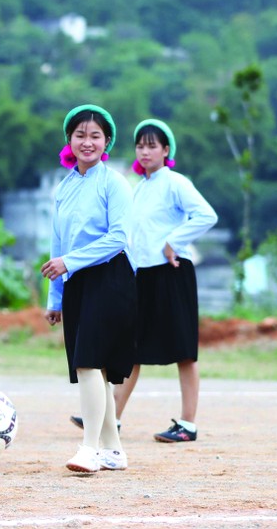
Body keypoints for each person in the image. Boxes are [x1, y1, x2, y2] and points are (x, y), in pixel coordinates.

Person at [42, 104, 136, 473]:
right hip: (77, 282)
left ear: (106, 141)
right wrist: (56, 297)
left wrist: (71, 262)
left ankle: (90, 448)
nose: (87, 142)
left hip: (111, 279)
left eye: (95, 135)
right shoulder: (64, 187)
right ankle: (113, 449)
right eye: (80, 135)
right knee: (92, 367)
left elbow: (119, 238)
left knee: (89, 362)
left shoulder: (114, 182)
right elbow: (58, 244)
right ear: (69, 139)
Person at [116, 119, 217, 442]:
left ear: (165, 150)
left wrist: (173, 240)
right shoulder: (139, 187)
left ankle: (188, 425)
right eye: (140, 145)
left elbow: (206, 215)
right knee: (130, 350)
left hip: (172, 272)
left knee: (184, 350)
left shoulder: (175, 182)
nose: (145, 151)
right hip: (142, 275)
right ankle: (110, 417)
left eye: (151, 145)